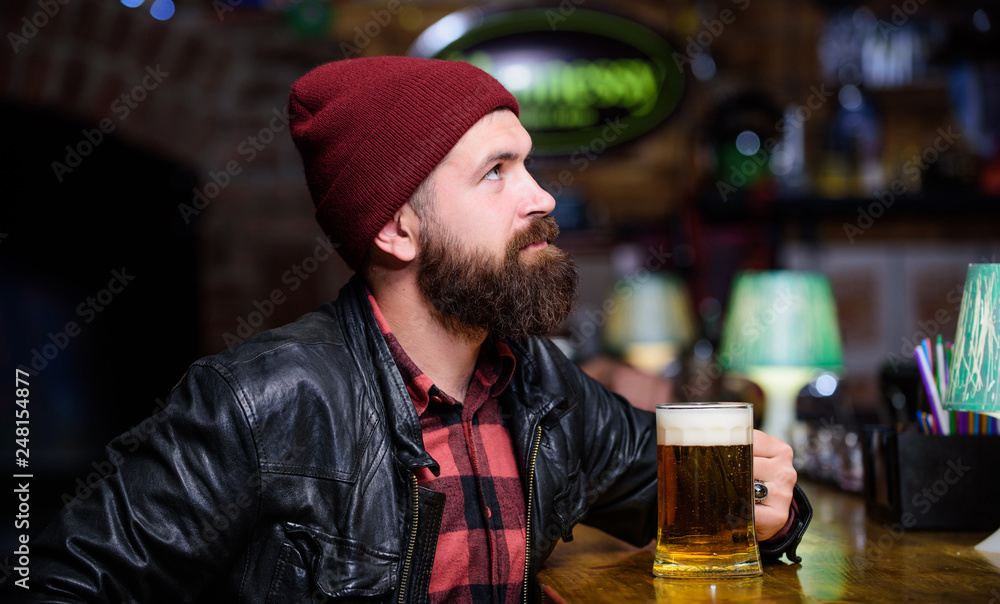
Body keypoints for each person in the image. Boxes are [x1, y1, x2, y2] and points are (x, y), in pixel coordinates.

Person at [6, 56, 809, 603]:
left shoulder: (537, 385)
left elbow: (698, 499)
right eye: (496, 172)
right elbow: (58, 581)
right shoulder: (261, 403)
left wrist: (773, 505)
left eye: (528, 165)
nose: (542, 199)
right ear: (396, 229)